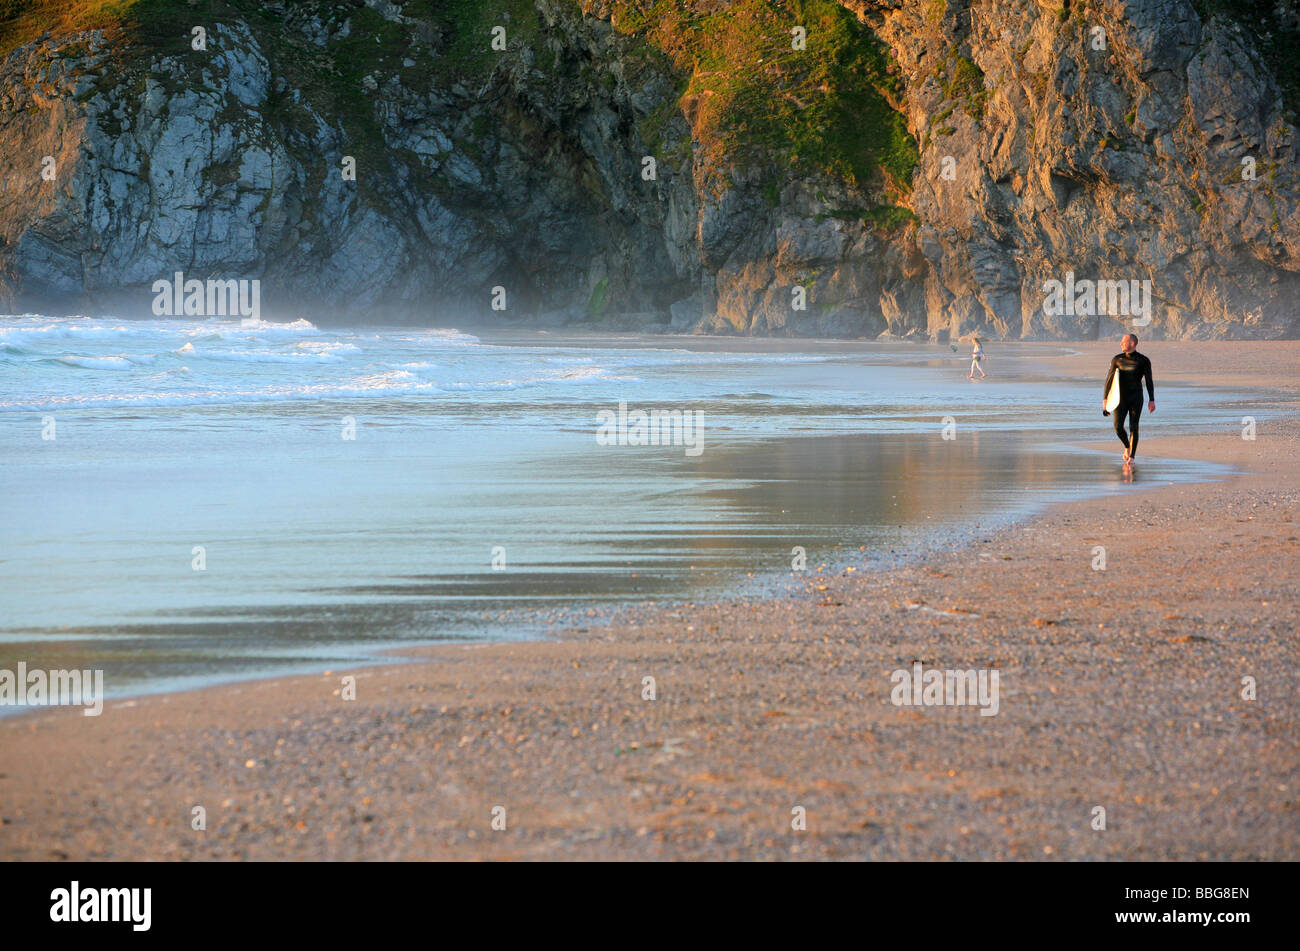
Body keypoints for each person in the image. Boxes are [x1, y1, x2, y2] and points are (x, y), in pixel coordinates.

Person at [1103, 333, 1155, 466]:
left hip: (1136, 397)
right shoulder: (1117, 359)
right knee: (1118, 426)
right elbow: (1109, 379)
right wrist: (1105, 399)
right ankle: (1127, 446)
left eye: (1123, 341)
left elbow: (1149, 380)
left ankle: (1132, 456)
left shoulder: (1143, 360)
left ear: (1132, 343)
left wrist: (1151, 399)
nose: (1120, 343)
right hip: (1120, 398)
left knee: (1134, 427)